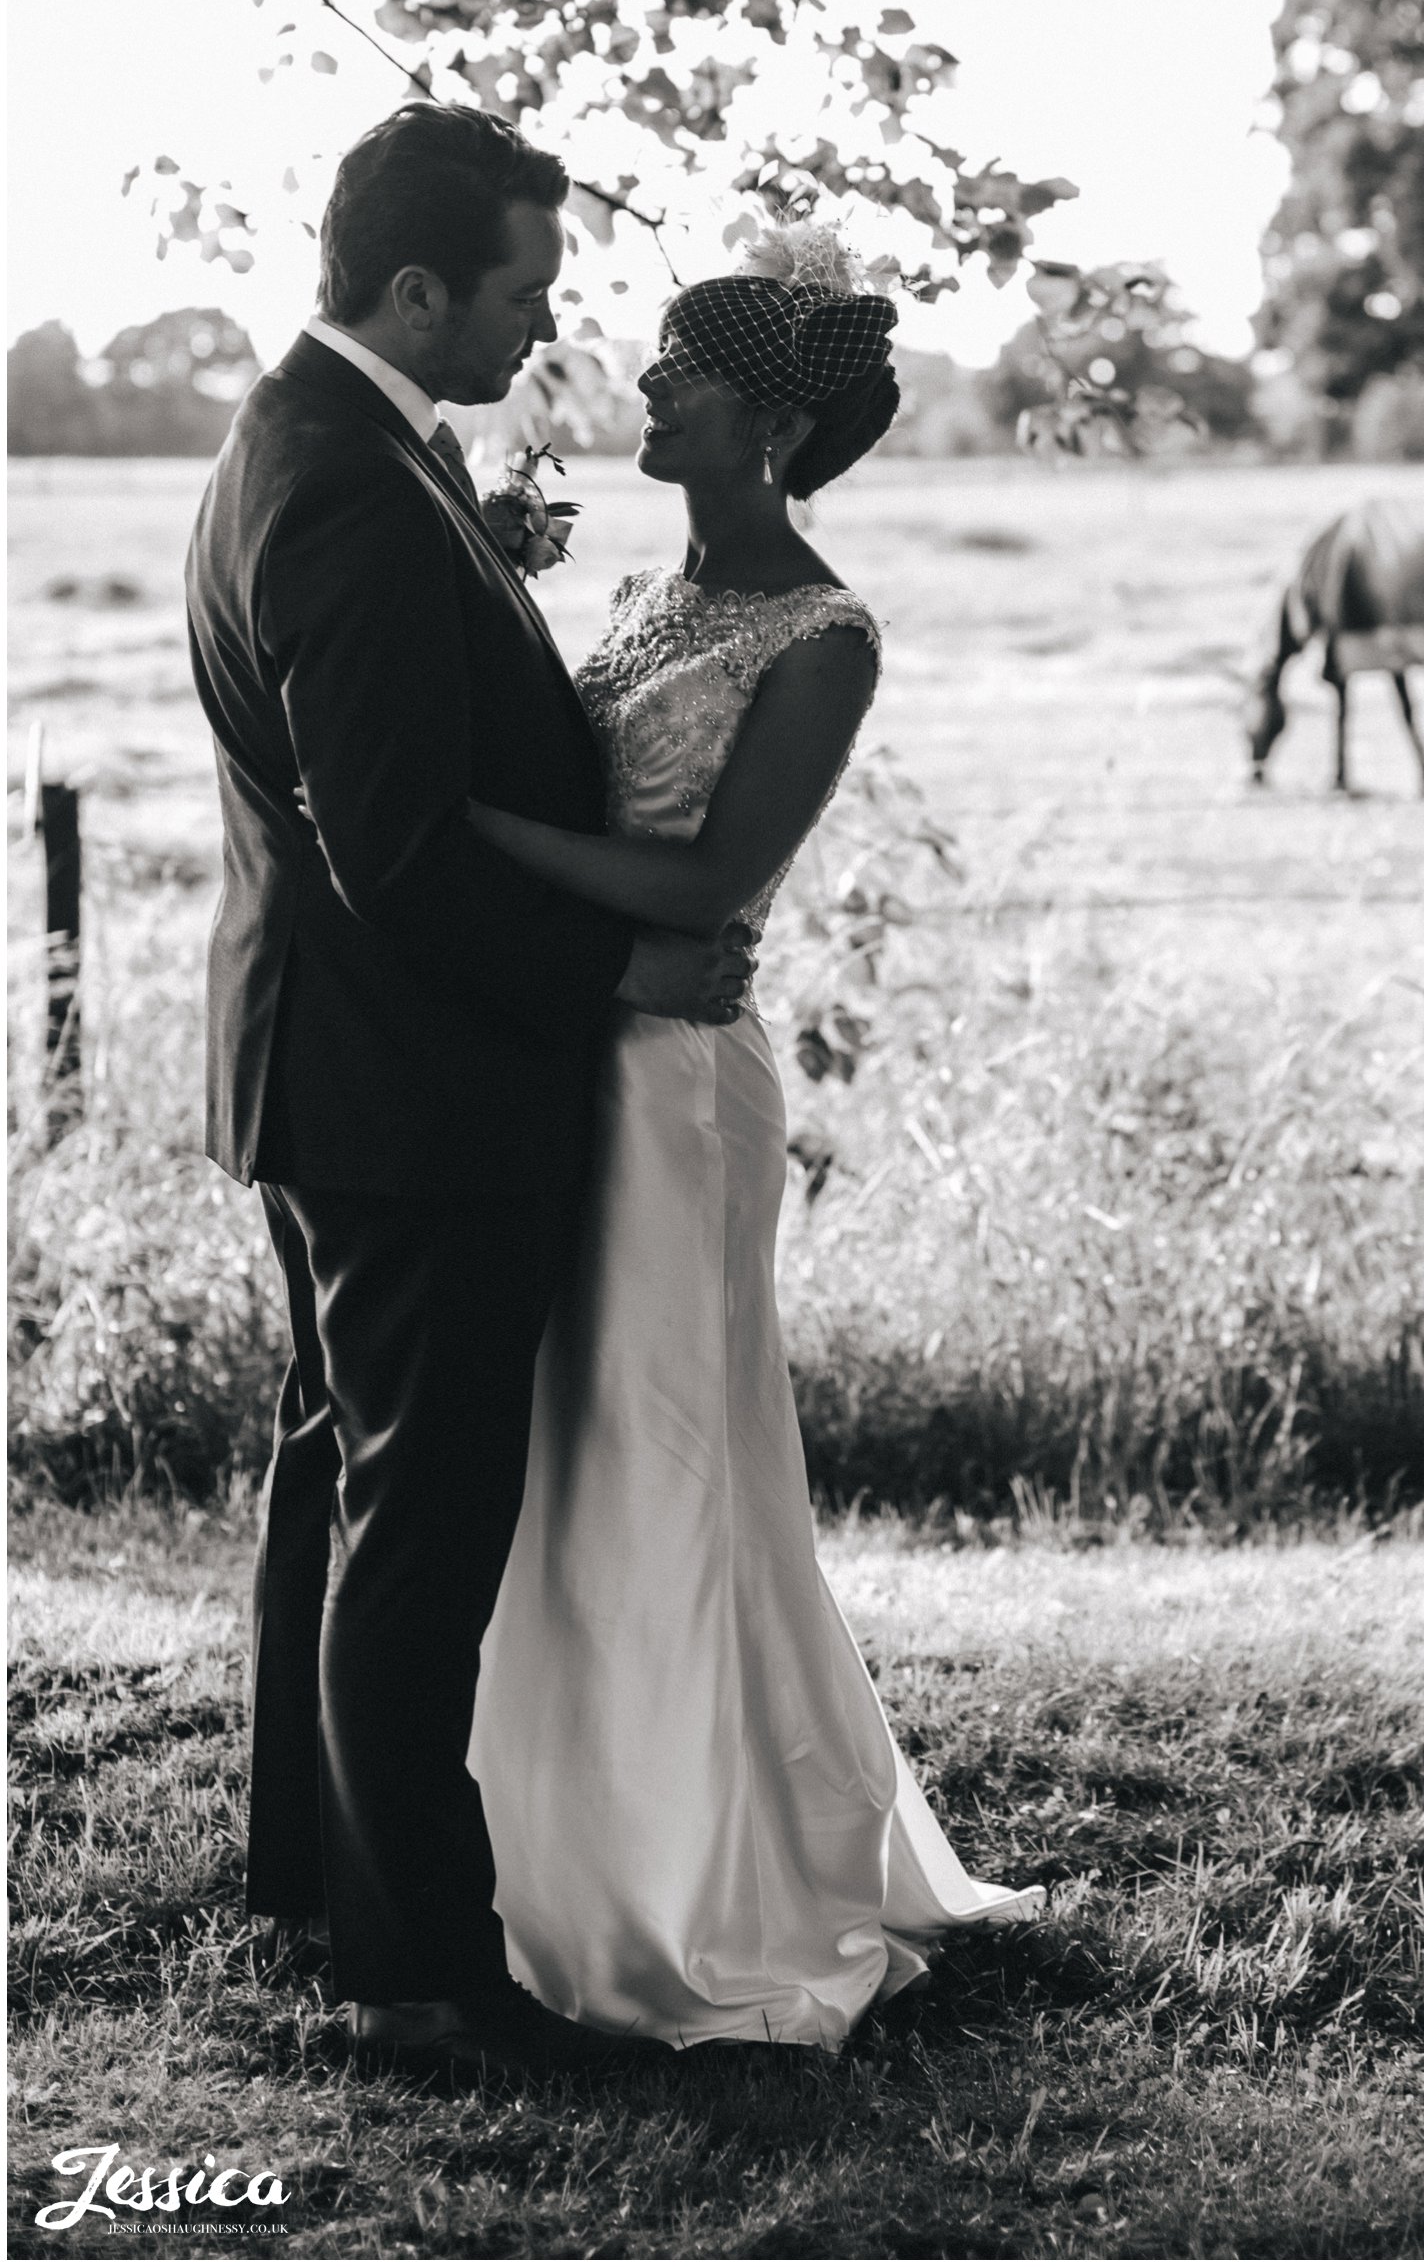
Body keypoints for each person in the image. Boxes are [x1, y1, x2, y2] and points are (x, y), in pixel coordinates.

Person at [184, 102, 753, 2088]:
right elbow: (401, 845)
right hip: (404, 1077)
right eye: (521, 286)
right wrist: (629, 967)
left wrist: (481, 567)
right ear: (416, 285)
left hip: (325, 1060)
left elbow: (381, 720)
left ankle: (318, 1886)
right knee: (420, 1513)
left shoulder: (313, 443)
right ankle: (420, 1963)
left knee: (343, 1477)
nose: (546, 322)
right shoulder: (345, 482)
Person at [464, 224, 1040, 2046]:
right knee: (568, 1441)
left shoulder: (821, 632)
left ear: (768, 422)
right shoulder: (649, 591)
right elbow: (595, 779)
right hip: (579, 1043)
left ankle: (692, 1871)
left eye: (681, 369)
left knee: (663, 1439)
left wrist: (473, 828)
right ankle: (544, 1824)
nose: (644, 384)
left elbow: (716, 874)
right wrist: (495, 593)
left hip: (678, 1086)